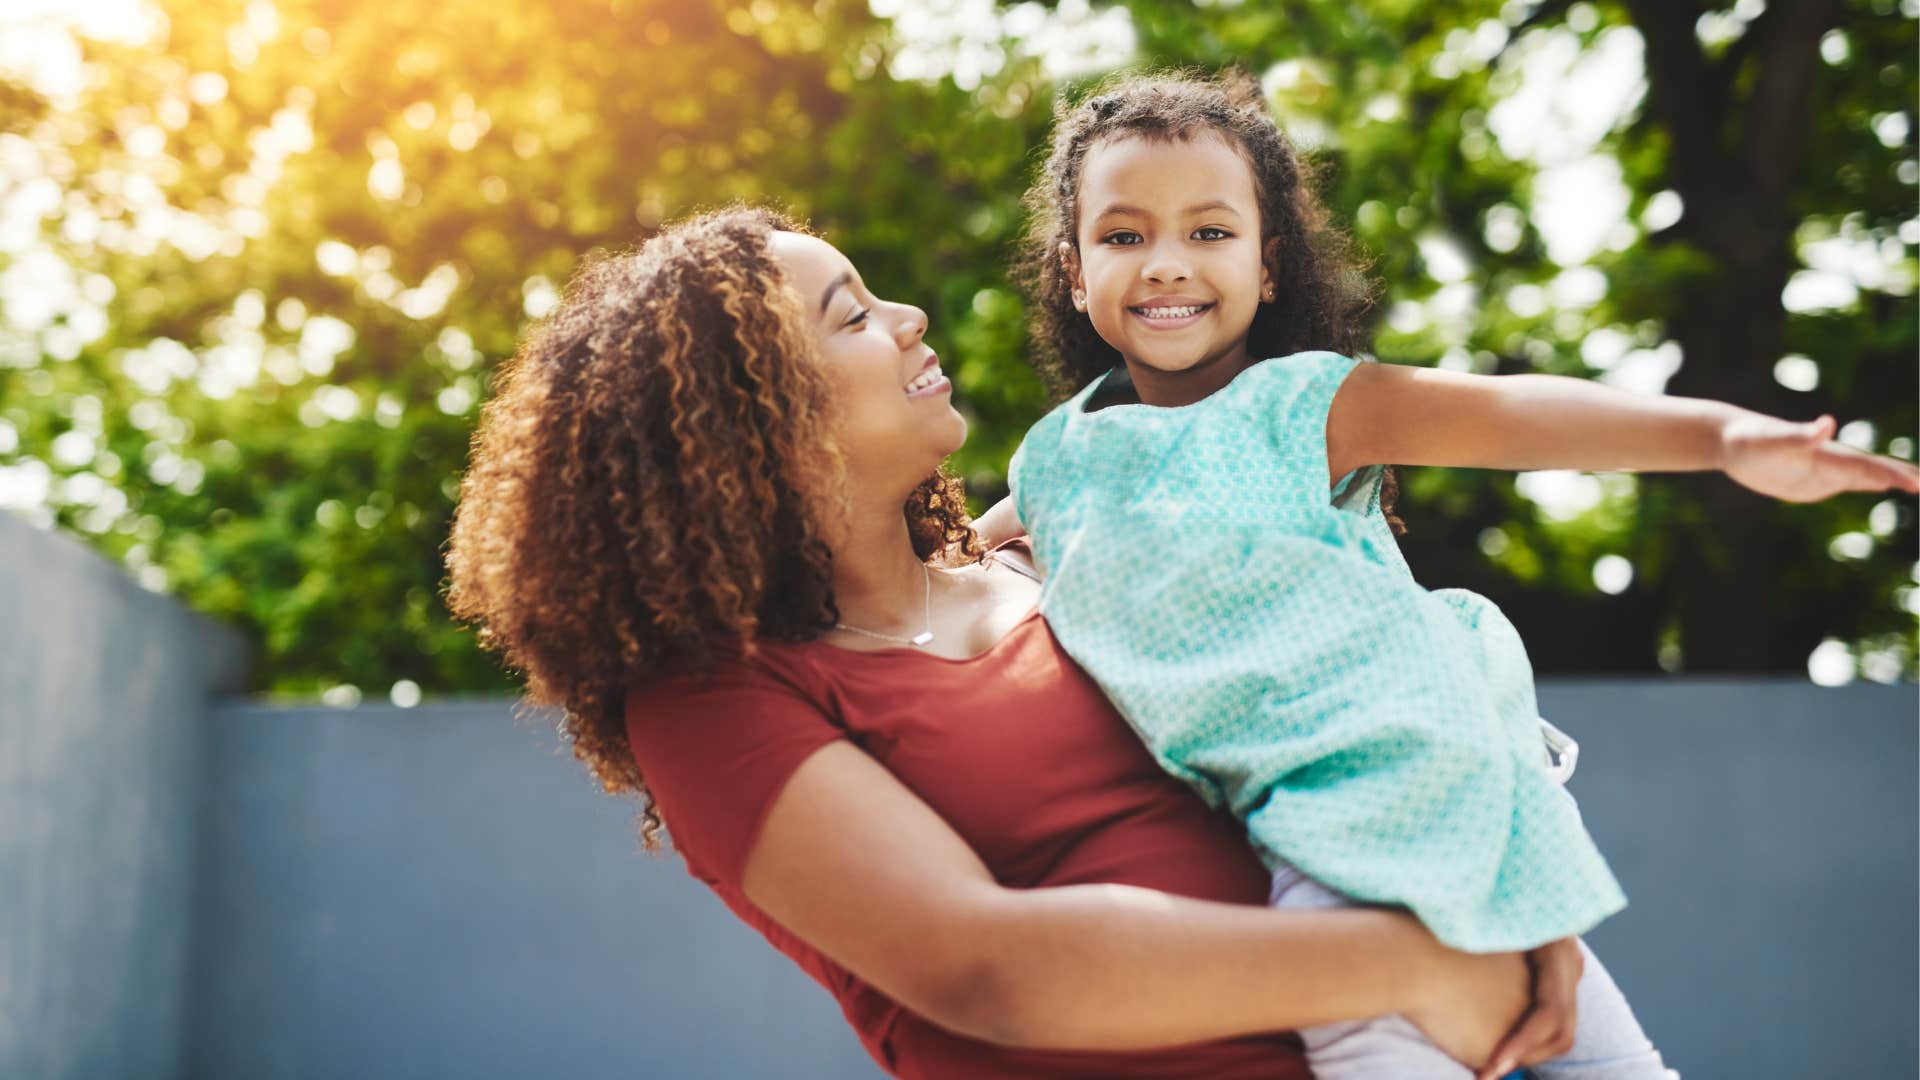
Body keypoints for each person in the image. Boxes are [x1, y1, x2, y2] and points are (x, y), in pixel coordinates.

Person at [443, 206, 1595, 1080]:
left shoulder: (1061, 554)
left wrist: (1496, 901)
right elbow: (982, 967)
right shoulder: (714, 704)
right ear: (748, 423)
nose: (910, 320)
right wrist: (1413, 961)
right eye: (851, 315)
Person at [976, 71, 1920, 1079]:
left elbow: (1512, 417)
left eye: (1210, 232)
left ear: (1270, 266)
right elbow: (952, 560)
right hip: (1321, 814)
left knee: (1430, 1045)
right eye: (1125, 237)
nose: (1167, 264)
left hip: (1389, 792)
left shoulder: (1304, 406)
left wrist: (1722, 435)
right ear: (1073, 270)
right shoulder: (1053, 462)